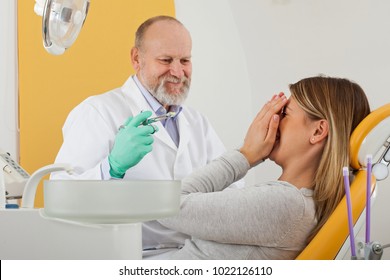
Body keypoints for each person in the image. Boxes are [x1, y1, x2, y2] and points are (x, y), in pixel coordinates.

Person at [50, 15, 243, 256]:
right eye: (165, 60)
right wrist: (111, 168)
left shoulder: (197, 123)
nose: (177, 71)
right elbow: (61, 198)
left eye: (185, 60)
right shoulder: (98, 112)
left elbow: (233, 193)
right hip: (128, 255)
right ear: (136, 58)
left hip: (193, 253)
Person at [154, 76, 371, 259]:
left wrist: (247, 154)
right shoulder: (301, 203)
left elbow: (164, 205)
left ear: (317, 131)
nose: (272, 118)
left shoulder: (286, 204)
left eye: (284, 113)